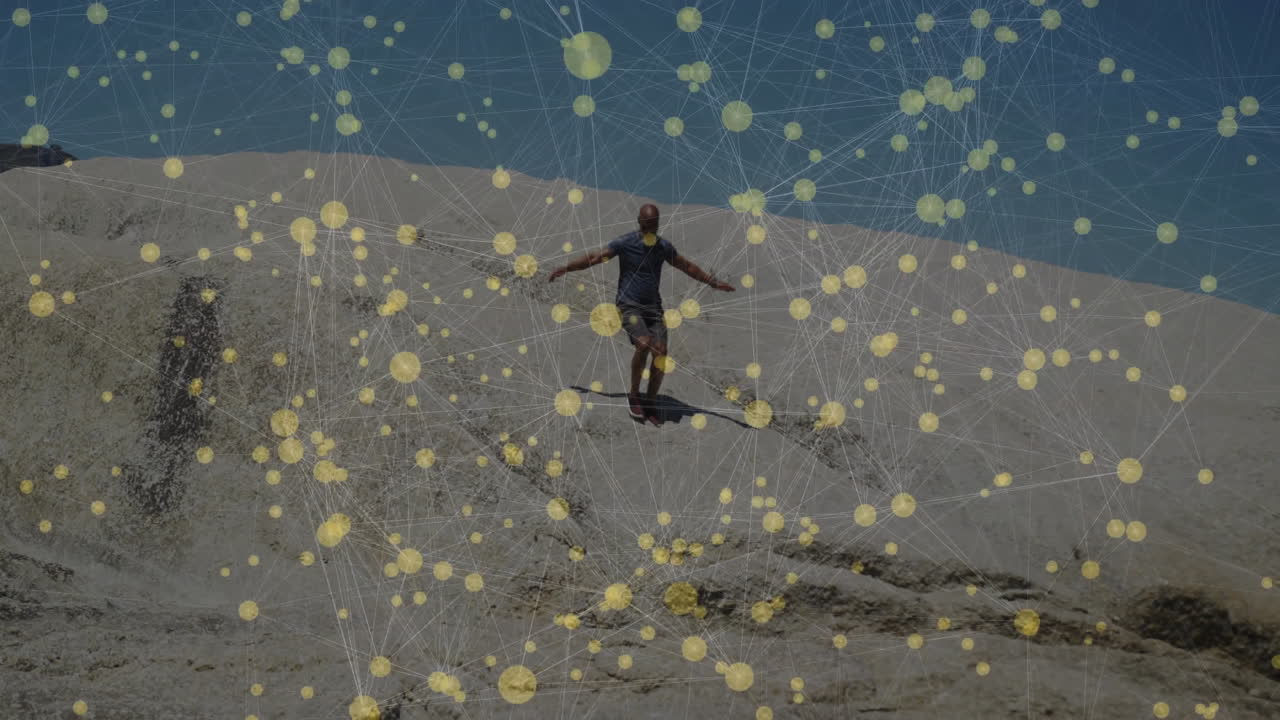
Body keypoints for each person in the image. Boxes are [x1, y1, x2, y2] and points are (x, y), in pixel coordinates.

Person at [548, 204, 734, 425]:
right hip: (629, 305)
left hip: (653, 308)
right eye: (648, 225)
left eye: (655, 225)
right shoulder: (626, 243)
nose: (651, 229)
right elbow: (595, 257)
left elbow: (686, 266)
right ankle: (634, 394)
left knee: (661, 352)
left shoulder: (663, 247)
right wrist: (566, 268)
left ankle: (650, 402)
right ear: (640, 222)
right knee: (643, 343)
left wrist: (713, 283)